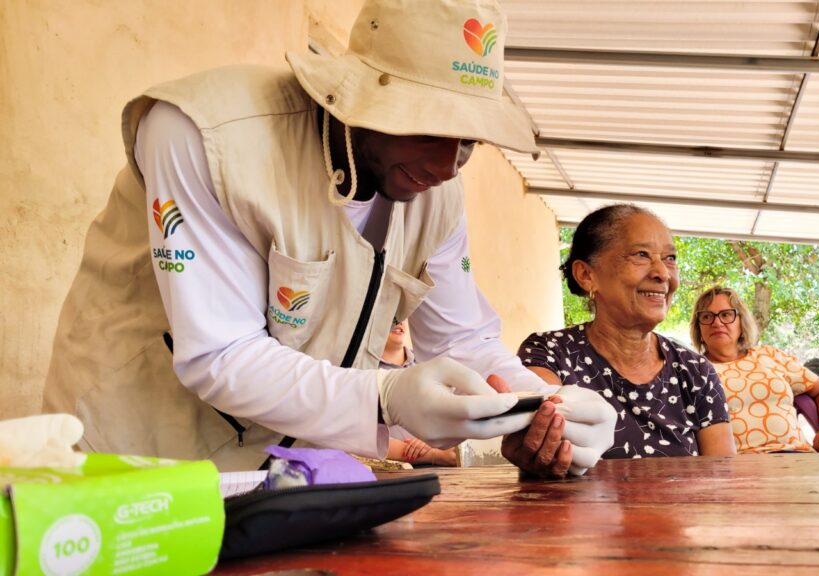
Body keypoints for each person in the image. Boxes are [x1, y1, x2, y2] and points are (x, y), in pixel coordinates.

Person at [43, 0, 614, 475]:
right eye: (429, 126)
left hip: (283, 471)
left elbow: (461, 339)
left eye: (469, 141)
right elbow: (220, 353)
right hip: (133, 457)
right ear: (361, 95)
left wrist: (546, 406)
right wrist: (384, 397)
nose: (446, 166)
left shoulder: (438, 195)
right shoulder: (206, 135)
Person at [517, 204, 736, 458]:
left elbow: (722, 473)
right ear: (586, 275)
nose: (663, 273)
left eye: (670, 258)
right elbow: (546, 445)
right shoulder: (549, 354)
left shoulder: (695, 371)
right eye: (641, 254)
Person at [689, 286, 819, 453]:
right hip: (739, 463)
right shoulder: (692, 371)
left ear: (741, 321)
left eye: (726, 314)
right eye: (707, 316)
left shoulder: (770, 355)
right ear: (699, 328)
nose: (717, 323)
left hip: (798, 456)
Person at [380, 320, 458, 466]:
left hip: (447, 463)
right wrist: (434, 455)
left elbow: (451, 421)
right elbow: (366, 441)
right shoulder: (364, 371)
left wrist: (432, 440)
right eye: (390, 315)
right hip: (397, 470)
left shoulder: (429, 363)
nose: (398, 321)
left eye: (402, 314)